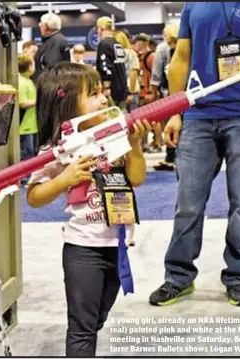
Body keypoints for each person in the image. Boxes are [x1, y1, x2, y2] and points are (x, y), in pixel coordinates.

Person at [148, 2, 240, 307]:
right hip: (197, 115)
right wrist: (175, 112)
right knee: (187, 203)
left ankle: (238, 278)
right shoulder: (194, 5)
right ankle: (178, 277)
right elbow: (181, 60)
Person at [26, 62, 154, 356]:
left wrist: (134, 143)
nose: (104, 99)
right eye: (93, 94)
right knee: (82, 328)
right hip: (82, 246)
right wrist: (64, 179)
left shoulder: (112, 137)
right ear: (68, 103)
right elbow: (34, 196)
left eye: (102, 92)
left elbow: (135, 178)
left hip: (117, 244)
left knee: (97, 319)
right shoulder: (58, 149)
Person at [151, 23, 179, 171]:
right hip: (187, 91)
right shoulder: (187, 46)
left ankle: (170, 157)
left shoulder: (162, 48)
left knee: (170, 124)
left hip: (168, 92)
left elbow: (156, 73)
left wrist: (154, 91)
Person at [95, 17, 129, 110]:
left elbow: (106, 67)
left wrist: (106, 87)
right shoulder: (117, 44)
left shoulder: (104, 44)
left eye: (97, 29)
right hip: (122, 89)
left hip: (112, 91)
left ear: (101, 28)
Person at [17, 53, 38, 185]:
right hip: (25, 124)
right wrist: (38, 101)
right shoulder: (21, 82)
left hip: (31, 123)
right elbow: (22, 103)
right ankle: (24, 177)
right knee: (26, 151)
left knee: (29, 150)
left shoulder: (28, 81)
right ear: (29, 66)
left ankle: (27, 175)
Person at [33, 13, 69, 82]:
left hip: (50, 86)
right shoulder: (58, 39)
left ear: (46, 26)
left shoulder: (54, 42)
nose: (39, 26)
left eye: (41, 24)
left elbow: (52, 67)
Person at [114, 30, 141, 112]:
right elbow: (134, 73)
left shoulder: (113, 54)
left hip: (118, 92)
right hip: (130, 91)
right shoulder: (131, 53)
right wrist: (131, 93)